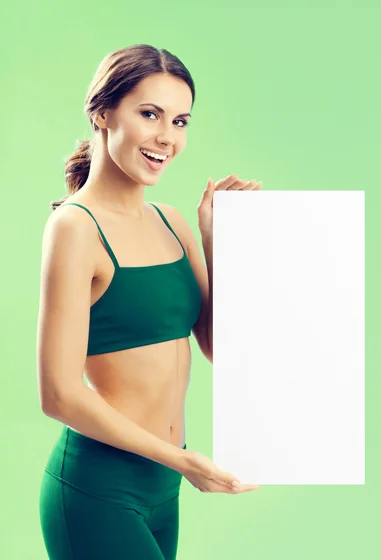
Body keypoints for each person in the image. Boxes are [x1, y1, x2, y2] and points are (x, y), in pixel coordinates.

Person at [37, 44, 261, 560]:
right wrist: (184, 462)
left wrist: (215, 241)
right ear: (102, 113)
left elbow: (218, 348)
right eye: (149, 114)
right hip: (98, 491)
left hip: (165, 488)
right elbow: (60, 395)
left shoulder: (171, 221)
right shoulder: (75, 227)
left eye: (180, 120)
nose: (167, 137)